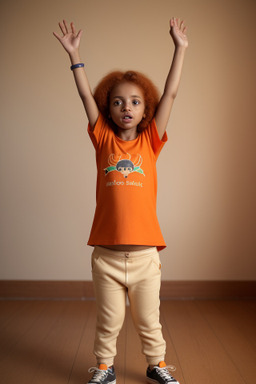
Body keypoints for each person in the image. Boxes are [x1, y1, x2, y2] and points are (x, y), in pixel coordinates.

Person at [54, 16, 188, 384]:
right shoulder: (103, 140)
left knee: (149, 319)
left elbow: (171, 93)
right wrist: (75, 56)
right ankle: (103, 367)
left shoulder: (150, 142)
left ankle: (157, 364)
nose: (126, 108)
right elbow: (84, 95)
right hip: (107, 257)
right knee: (108, 319)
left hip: (146, 257)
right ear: (108, 109)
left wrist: (180, 48)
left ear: (146, 111)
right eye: (117, 102)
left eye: (134, 102)